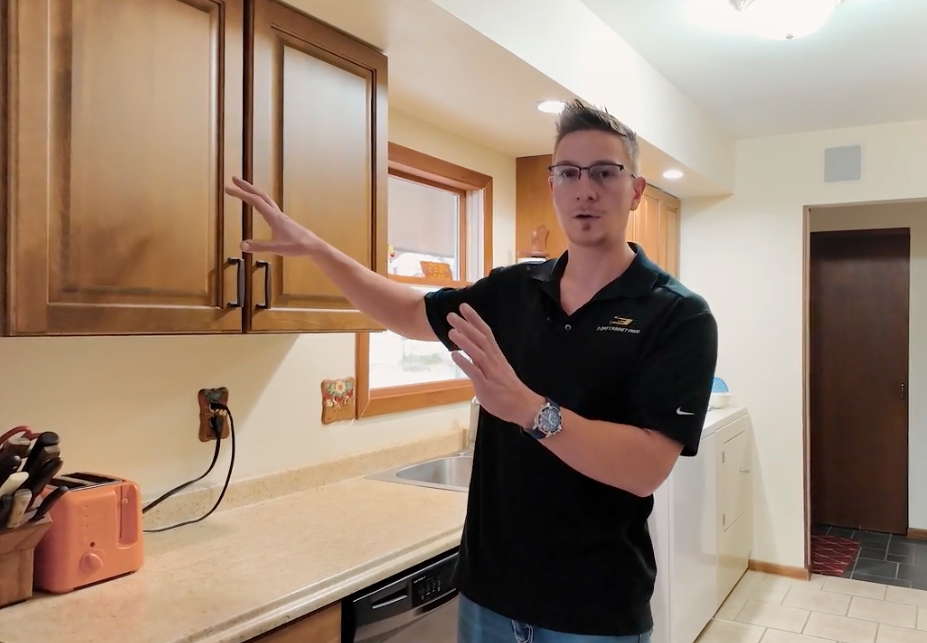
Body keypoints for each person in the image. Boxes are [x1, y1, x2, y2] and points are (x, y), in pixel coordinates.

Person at [224, 99, 719, 642]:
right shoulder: (512, 291)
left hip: (594, 613)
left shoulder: (677, 313)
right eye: (569, 173)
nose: (586, 189)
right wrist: (318, 251)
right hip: (487, 600)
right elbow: (411, 313)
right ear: (553, 185)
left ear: (636, 190)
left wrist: (527, 409)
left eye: (605, 172)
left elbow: (646, 466)